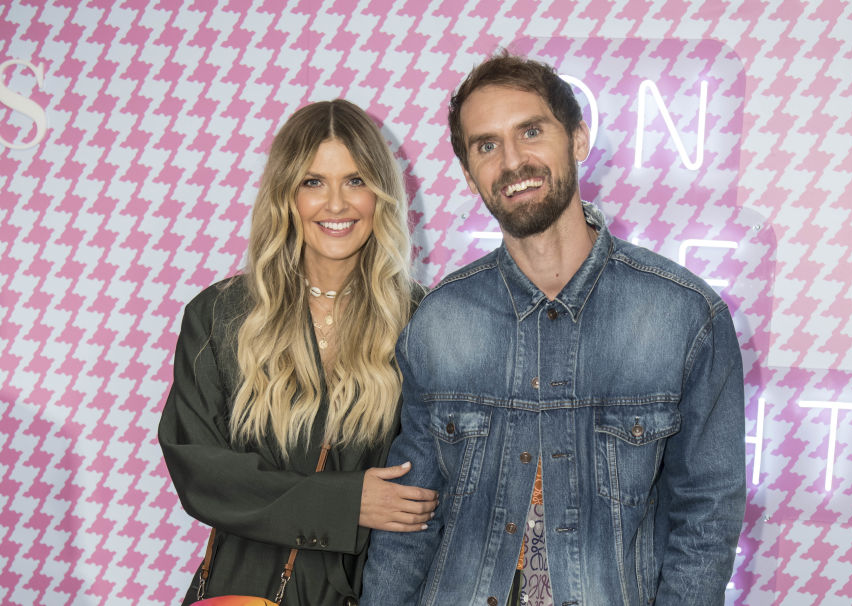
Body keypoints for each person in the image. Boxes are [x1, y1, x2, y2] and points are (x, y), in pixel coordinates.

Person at [362, 52, 746, 605]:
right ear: (471, 176)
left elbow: (706, 520)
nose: (513, 160)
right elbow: (409, 518)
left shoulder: (684, 316)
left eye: (532, 131)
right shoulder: (440, 321)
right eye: (487, 145)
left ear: (578, 141)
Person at [159, 99, 438, 606]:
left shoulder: (424, 322)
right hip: (242, 591)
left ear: (381, 195)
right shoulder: (222, 315)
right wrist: (345, 502)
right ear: (285, 195)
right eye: (313, 182)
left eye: (355, 181)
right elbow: (199, 471)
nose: (336, 204)